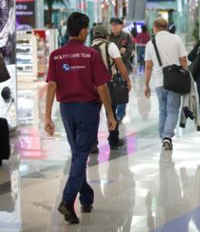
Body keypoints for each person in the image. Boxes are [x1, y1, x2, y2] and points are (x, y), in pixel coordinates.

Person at [44, 12, 117, 225]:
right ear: (84, 30)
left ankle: (86, 197)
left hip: (66, 109)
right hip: (87, 110)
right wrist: (110, 114)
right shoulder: (90, 55)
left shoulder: (56, 55)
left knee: (78, 153)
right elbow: (102, 87)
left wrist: (47, 116)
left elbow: (51, 86)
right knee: (80, 155)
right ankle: (67, 200)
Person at [144, 18, 188, 150]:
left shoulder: (150, 43)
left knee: (162, 110)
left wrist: (146, 84)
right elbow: (184, 61)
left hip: (159, 82)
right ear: (166, 27)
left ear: (155, 27)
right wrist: (186, 76)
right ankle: (167, 137)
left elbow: (148, 66)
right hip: (175, 81)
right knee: (173, 109)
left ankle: (163, 136)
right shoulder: (176, 39)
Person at [91, 25, 132, 151]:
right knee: (111, 112)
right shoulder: (110, 45)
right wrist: (127, 80)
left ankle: (93, 144)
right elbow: (120, 65)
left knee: (94, 115)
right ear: (106, 35)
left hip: (93, 86)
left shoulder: (89, 48)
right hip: (108, 83)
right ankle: (113, 140)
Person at [109, 18, 135, 123]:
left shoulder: (126, 37)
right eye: (112, 25)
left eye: (116, 25)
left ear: (121, 26)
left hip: (124, 67)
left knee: (122, 91)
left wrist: (118, 59)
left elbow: (129, 52)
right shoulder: (108, 37)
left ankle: (120, 115)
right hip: (111, 69)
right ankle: (112, 113)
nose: (114, 27)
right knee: (111, 91)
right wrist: (118, 55)